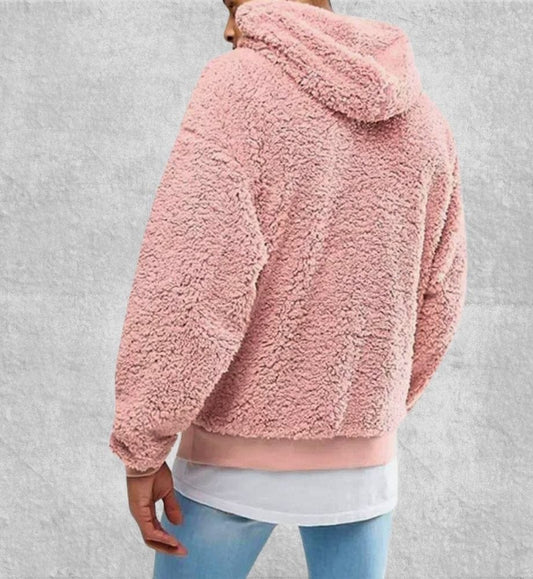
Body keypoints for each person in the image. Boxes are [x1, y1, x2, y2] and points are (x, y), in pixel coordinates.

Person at [108, 0, 468, 577]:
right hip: (364, 473)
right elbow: (442, 299)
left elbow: (190, 279)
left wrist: (142, 445)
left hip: (235, 462)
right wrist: (371, 408)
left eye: (233, 4)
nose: (230, 26)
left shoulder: (237, 87)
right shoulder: (423, 120)